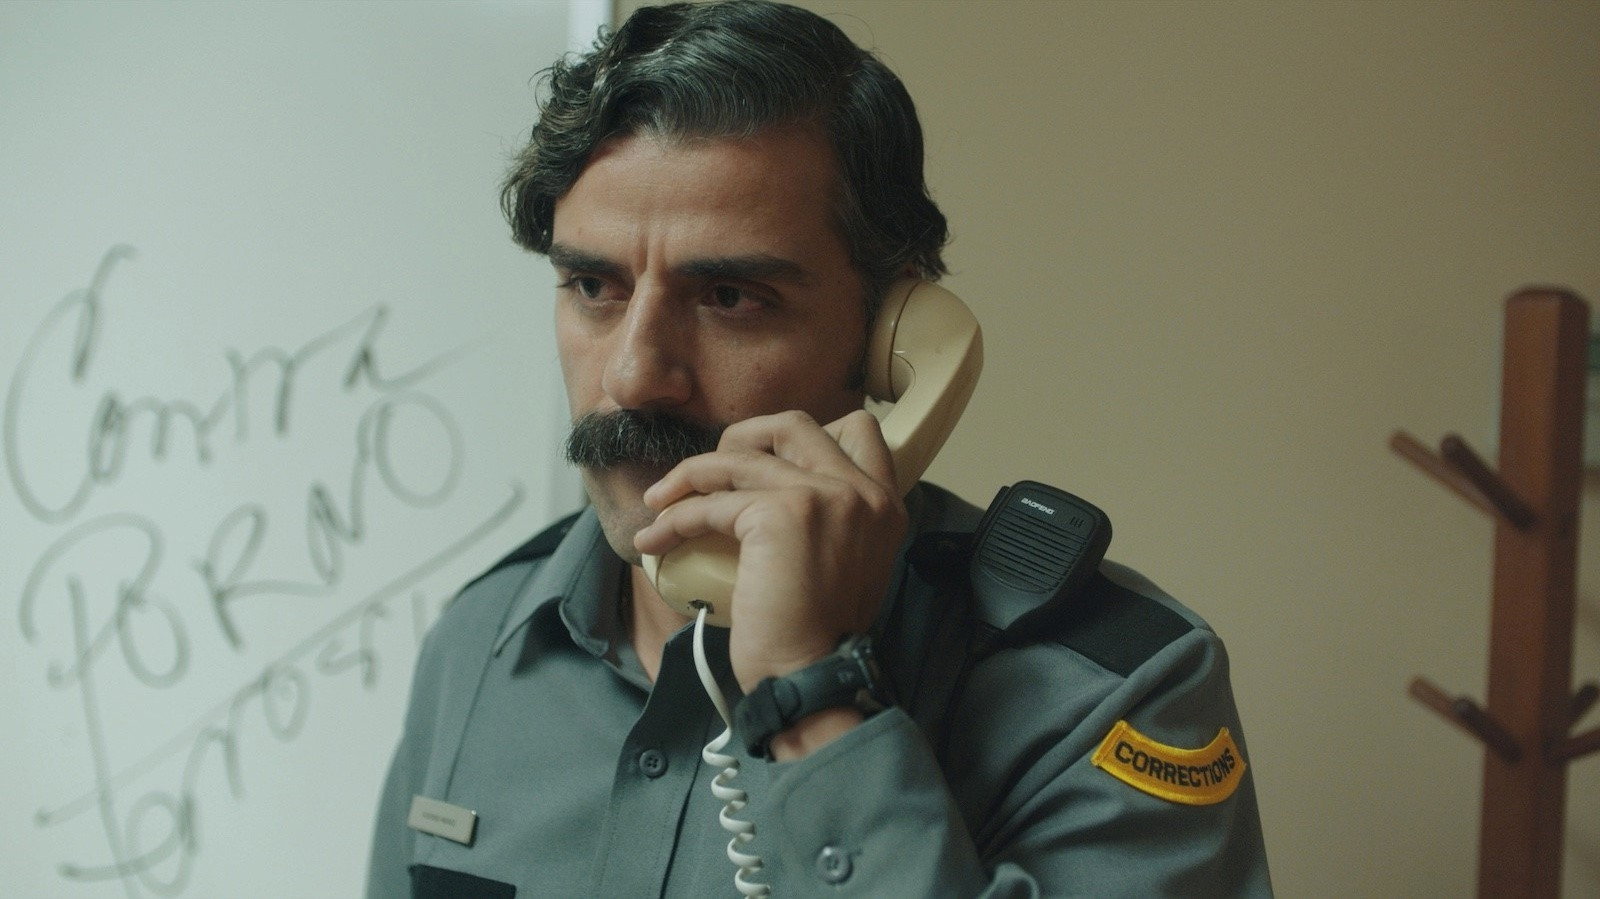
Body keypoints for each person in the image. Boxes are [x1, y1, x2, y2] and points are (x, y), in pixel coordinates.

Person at [366, 1, 1271, 895]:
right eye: (594, 286)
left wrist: (813, 694)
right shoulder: (478, 641)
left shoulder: (1116, 693)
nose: (635, 376)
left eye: (729, 297)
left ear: (889, 335)